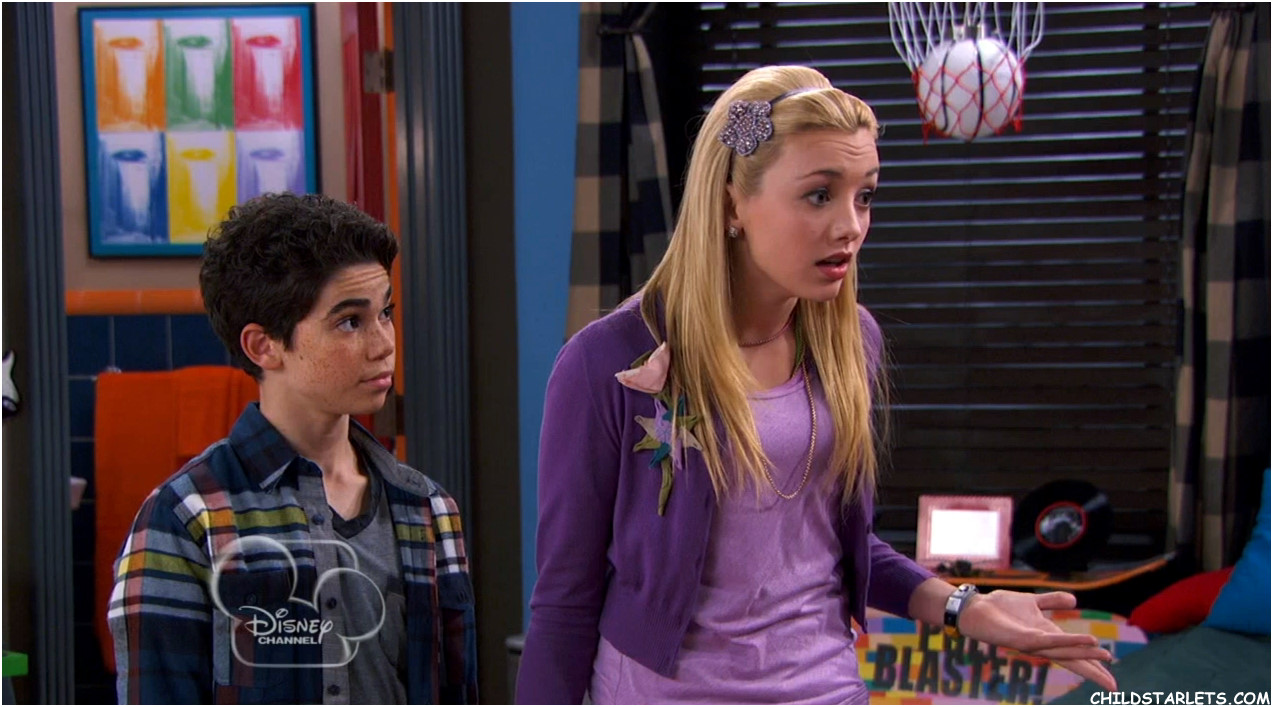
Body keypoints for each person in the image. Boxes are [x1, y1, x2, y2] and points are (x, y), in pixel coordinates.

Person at [516, 65, 1118, 704]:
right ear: (732, 203)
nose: (851, 226)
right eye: (819, 195)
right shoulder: (605, 363)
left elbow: (826, 548)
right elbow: (564, 600)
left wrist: (964, 607)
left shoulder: (852, 342)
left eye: (865, 196)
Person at [108, 193, 477, 704]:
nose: (384, 344)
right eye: (350, 321)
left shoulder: (428, 509)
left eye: (385, 313)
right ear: (264, 346)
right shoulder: (186, 518)